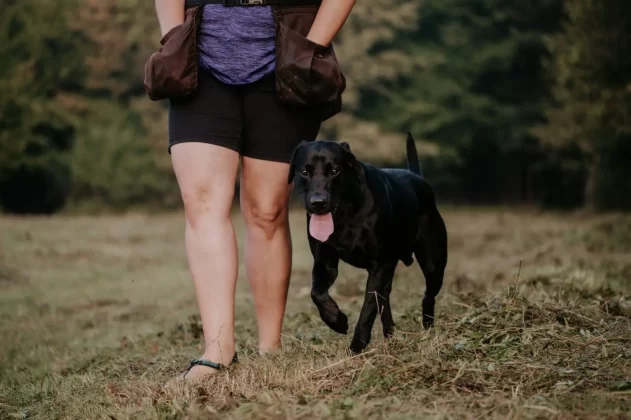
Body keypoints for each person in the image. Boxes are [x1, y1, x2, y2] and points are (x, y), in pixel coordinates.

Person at [153, 0, 355, 381]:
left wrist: (310, 49)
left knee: (267, 210)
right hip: (199, 63)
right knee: (202, 203)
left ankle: (270, 348)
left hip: (288, 60)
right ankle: (217, 349)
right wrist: (173, 39)